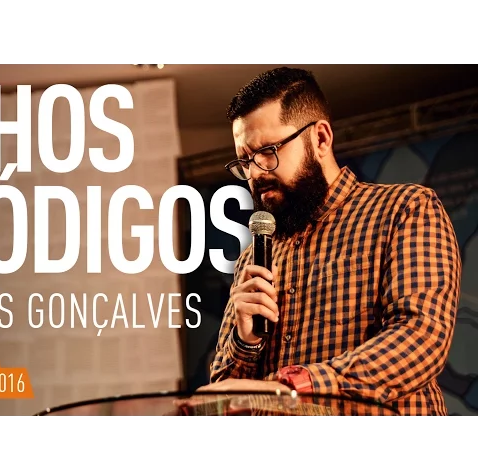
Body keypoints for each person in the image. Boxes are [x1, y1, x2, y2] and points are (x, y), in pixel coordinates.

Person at [198, 67, 462, 416]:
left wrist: (294, 386)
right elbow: (224, 396)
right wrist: (245, 341)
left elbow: (419, 339)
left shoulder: (404, 209)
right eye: (245, 161)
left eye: (268, 151)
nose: (256, 173)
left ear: (321, 139)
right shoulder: (253, 257)